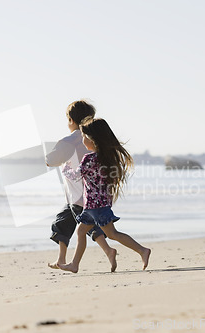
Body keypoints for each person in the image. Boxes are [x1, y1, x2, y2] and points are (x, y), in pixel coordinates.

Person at [58, 118, 151, 273]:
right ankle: (74, 264)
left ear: (93, 139)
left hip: (94, 207)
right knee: (86, 232)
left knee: (109, 233)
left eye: (84, 137)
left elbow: (75, 176)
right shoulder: (107, 158)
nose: (83, 140)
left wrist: (65, 168)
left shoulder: (89, 158)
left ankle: (142, 250)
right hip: (100, 205)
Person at [45, 100, 117, 272]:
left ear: (71, 120)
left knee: (89, 227)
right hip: (85, 195)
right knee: (62, 223)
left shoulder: (71, 140)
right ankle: (61, 259)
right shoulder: (95, 139)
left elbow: (51, 161)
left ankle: (108, 251)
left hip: (79, 197)